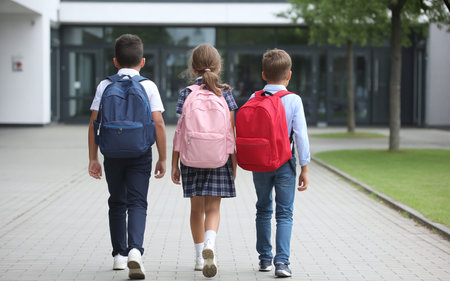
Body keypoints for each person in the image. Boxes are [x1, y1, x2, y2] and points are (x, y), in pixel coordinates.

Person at [88, 34, 167, 280]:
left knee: (117, 202)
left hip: (111, 152)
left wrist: (93, 158)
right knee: (137, 202)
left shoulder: (104, 85)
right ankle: (135, 250)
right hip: (140, 152)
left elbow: (93, 124)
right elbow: (159, 123)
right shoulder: (148, 86)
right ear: (142, 61)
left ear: (115, 61)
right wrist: (163, 157)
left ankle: (119, 257)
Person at [171, 43, 237, 278]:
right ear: (218, 66)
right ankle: (211, 243)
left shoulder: (186, 93)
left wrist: (173, 164)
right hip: (219, 157)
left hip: (190, 157)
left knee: (196, 209)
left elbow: (180, 131)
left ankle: (200, 257)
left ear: (193, 68)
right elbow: (230, 132)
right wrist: (234, 164)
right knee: (213, 207)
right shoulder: (226, 93)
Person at [251, 49, 310, 277]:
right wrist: (305, 167)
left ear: (264, 75)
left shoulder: (253, 99)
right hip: (285, 163)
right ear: (289, 75)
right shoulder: (293, 100)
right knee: (284, 213)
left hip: (260, 164)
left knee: (263, 208)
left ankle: (264, 259)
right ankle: (282, 263)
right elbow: (301, 136)